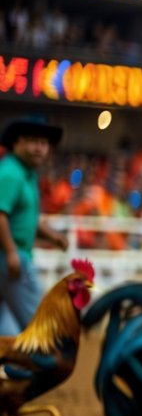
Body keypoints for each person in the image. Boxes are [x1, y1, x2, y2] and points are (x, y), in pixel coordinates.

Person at [0, 114, 69, 336]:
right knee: (39, 329)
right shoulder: (12, 173)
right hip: (11, 260)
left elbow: (23, 218)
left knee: (6, 331)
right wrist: (11, 252)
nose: (39, 148)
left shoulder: (25, 174)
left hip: (11, 257)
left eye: (43, 143)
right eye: (32, 141)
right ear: (16, 142)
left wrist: (52, 236)